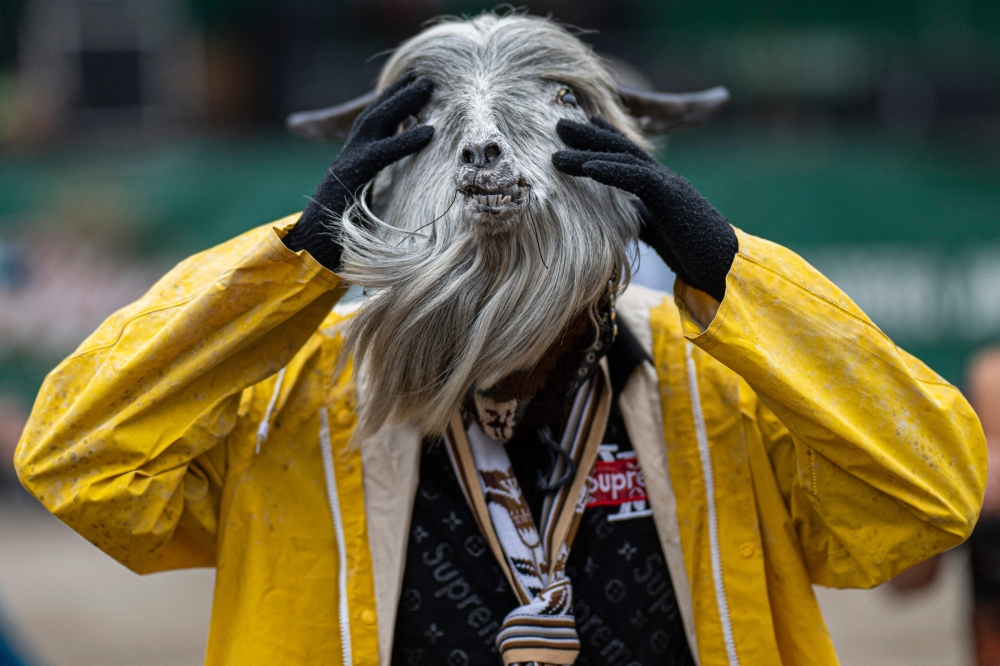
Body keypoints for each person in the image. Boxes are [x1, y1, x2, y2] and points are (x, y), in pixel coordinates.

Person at [13, 14, 986, 666]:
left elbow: (929, 497)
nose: (502, 333)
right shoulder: (297, 398)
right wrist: (287, 268)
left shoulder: (718, 383)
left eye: (537, 291)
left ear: (608, 246)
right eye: (463, 286)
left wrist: (736, 275)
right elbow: (77, 459)